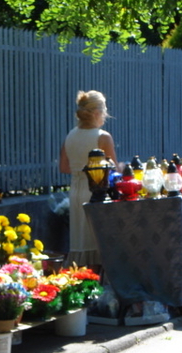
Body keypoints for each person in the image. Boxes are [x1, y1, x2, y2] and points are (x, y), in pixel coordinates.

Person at [59, 90, 118, 271]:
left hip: (75, 191)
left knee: (79, 240)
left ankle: (80, 278)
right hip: (96, 191)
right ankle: (98, 282)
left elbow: (64, 168)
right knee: (96, 239)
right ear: (98, 112)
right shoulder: (103, 137)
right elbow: (113, 170)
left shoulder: (70, 135)